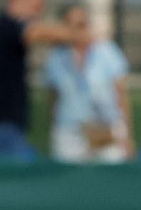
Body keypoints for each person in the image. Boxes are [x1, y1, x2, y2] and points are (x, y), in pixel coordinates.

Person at [0, 0, 90, 159]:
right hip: (0, 127)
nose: (38, 11)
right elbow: (35, 33)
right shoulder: (6, 28)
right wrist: (77, 34)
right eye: (34, 5)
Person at [44, 3, 134, 163]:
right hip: (70, 133)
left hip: (106, 131)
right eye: (73, 26)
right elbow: (53, 98)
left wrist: (125, 135)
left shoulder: (106, 51)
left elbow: (120, 95)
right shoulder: (56, 57)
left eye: (83, 24)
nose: (80, 31)